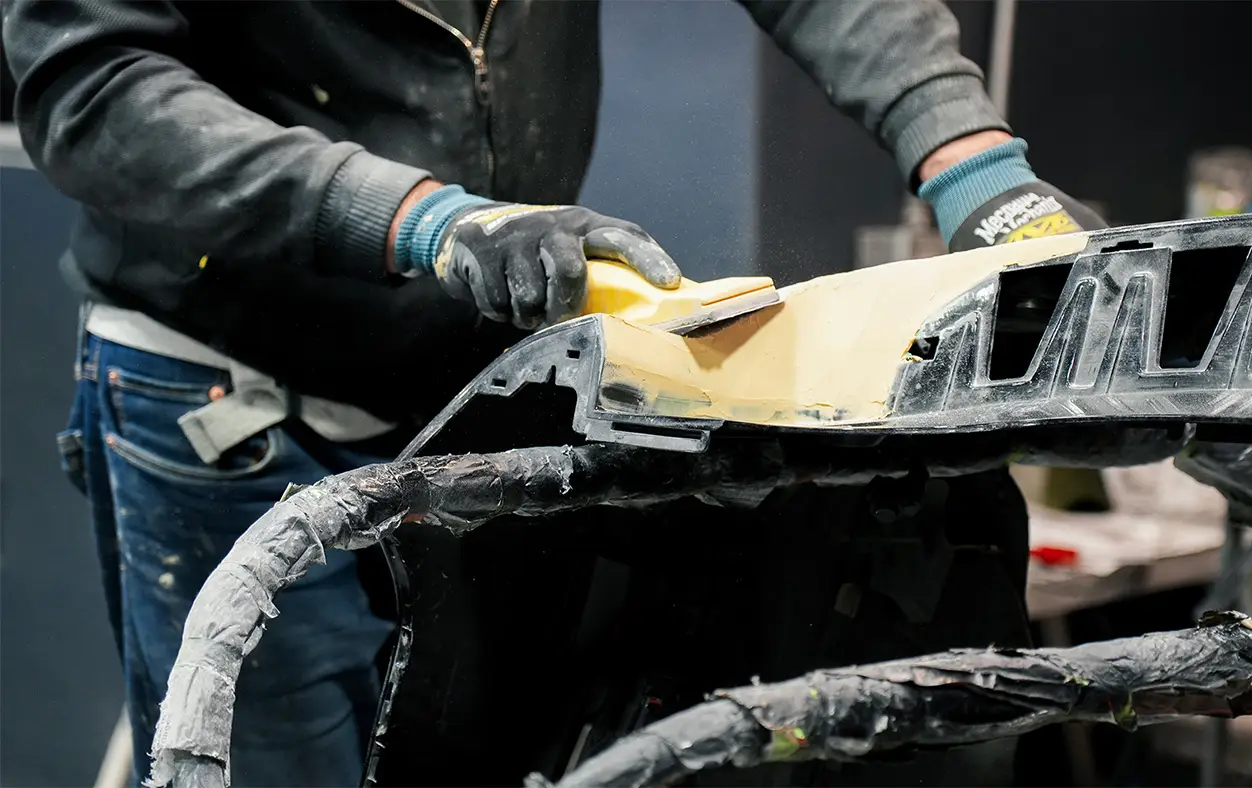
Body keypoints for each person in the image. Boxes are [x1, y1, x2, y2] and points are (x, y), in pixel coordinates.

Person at [3, 1, 1104, 785]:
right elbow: (94, 90)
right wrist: (426, 221)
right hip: (237, 397)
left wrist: (976, 170)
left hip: (461, 382)